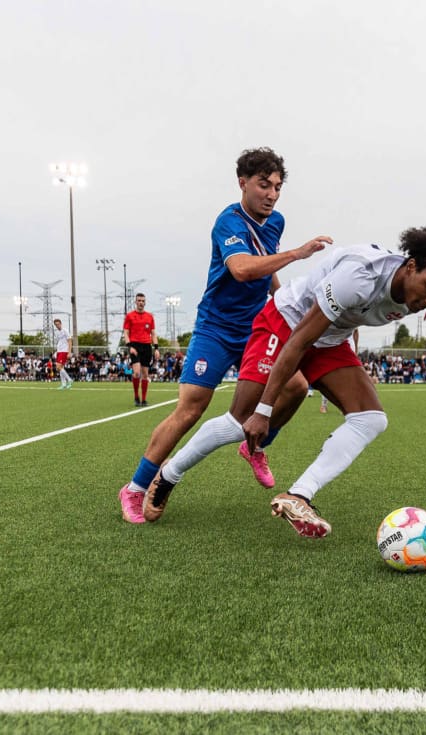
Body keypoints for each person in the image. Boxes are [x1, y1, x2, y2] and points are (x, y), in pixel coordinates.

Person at [141, 227, 426, 538]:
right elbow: (298, 342)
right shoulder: (359, 276)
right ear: (410, 267)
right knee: (240, 421)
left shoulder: (412, 296)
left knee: (371, 418)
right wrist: (264, 411)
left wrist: (350, 367)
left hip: (330, 337)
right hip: (285, 323)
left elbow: (354, 318)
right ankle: (168, 475)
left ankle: (298, 496)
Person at [118, 147, 331, 524]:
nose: (272, 194)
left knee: (297, 387)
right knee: (191, 408)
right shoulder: (228, 222)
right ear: (243, 183)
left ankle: (257, 447)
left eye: (278, 187)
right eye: (264, 185)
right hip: (216, 327)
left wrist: (281, 303)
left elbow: (265, 273)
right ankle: (135, 488)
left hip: (257, 327)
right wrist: (298, 254)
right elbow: (244, 269)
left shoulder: (276, 221)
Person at [122, 292, 158, 407]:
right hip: (134, 346)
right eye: (139, 300)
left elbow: (153, 333)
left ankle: (143, 399)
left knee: (145, 374)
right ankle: (136, 396)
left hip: (147, 347)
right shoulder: (130, 316)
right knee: (136, 373)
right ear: (135, 302)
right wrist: (130, 346)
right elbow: (126, 332)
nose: (141, 303)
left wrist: (156, 348)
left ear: (145, 302)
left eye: (143, 301)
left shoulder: (150, 316)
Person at [53, 318, 74, 390]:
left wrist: (69, 352)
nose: (57, 326)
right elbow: (59, 342)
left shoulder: (65, 330)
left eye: (58, 324)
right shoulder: (56, 332)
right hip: (59, 351)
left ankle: (69, 380)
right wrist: (56, 352)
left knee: (59, 367)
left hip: (64, 351)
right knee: (59, 368)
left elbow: (70, 341)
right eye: (56, 325)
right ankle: (64, 384)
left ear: (61, 323)